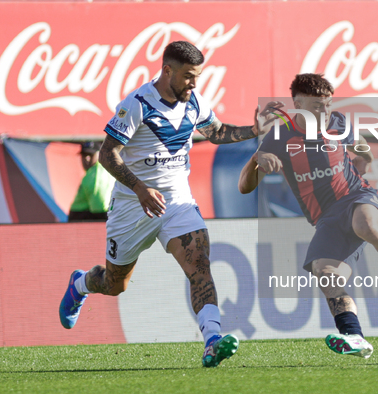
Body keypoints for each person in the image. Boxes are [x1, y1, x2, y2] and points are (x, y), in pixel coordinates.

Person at [59, 41, 261, 368]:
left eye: (197, 77)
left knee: (199, 263)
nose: (194, 84)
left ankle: (212, 340)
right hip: (132, 206)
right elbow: (108, 155)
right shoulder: (137, 104)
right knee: (114, 284)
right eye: (187, 76)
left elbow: (217, 131)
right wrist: (140, 189)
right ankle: (80, 284)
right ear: (167, 70)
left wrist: (254, 130)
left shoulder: (194, 101)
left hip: (177, 202)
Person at [238, 73, 378, 359]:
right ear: (297, 103)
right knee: (325, 273)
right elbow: (244, 187)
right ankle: (354, 337)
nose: (325, 111)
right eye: (317, 106)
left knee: (366, 224)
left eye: (328, 104)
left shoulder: (339, 123)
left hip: (359, 197)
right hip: (326, 219)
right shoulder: (280, 134)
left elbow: (361, 147)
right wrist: (257, 159)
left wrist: (364, 159)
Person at [68, 141, 116, 221]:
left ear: (99, 154)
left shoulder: (96, 174)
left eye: (91, 155)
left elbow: (99, 209)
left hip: (84, 220)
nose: (87, 158)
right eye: (84, 155)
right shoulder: (99, 170)